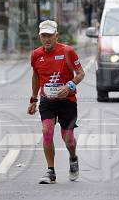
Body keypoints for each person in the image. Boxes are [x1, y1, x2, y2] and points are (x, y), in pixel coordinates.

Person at [28, 20, 85, 184]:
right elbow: (36, 76)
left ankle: (73, 157)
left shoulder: (68, 51)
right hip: (47, 101)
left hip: (67, 100)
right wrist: (33, 99)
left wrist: (70, 85)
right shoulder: (36, 54)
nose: (47, 39)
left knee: (68, 139)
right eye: (43, 36)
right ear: (40, 36)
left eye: (50, 36)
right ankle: (50, 171)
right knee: (47, 131)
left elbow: (81, 73)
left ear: (56, 36)